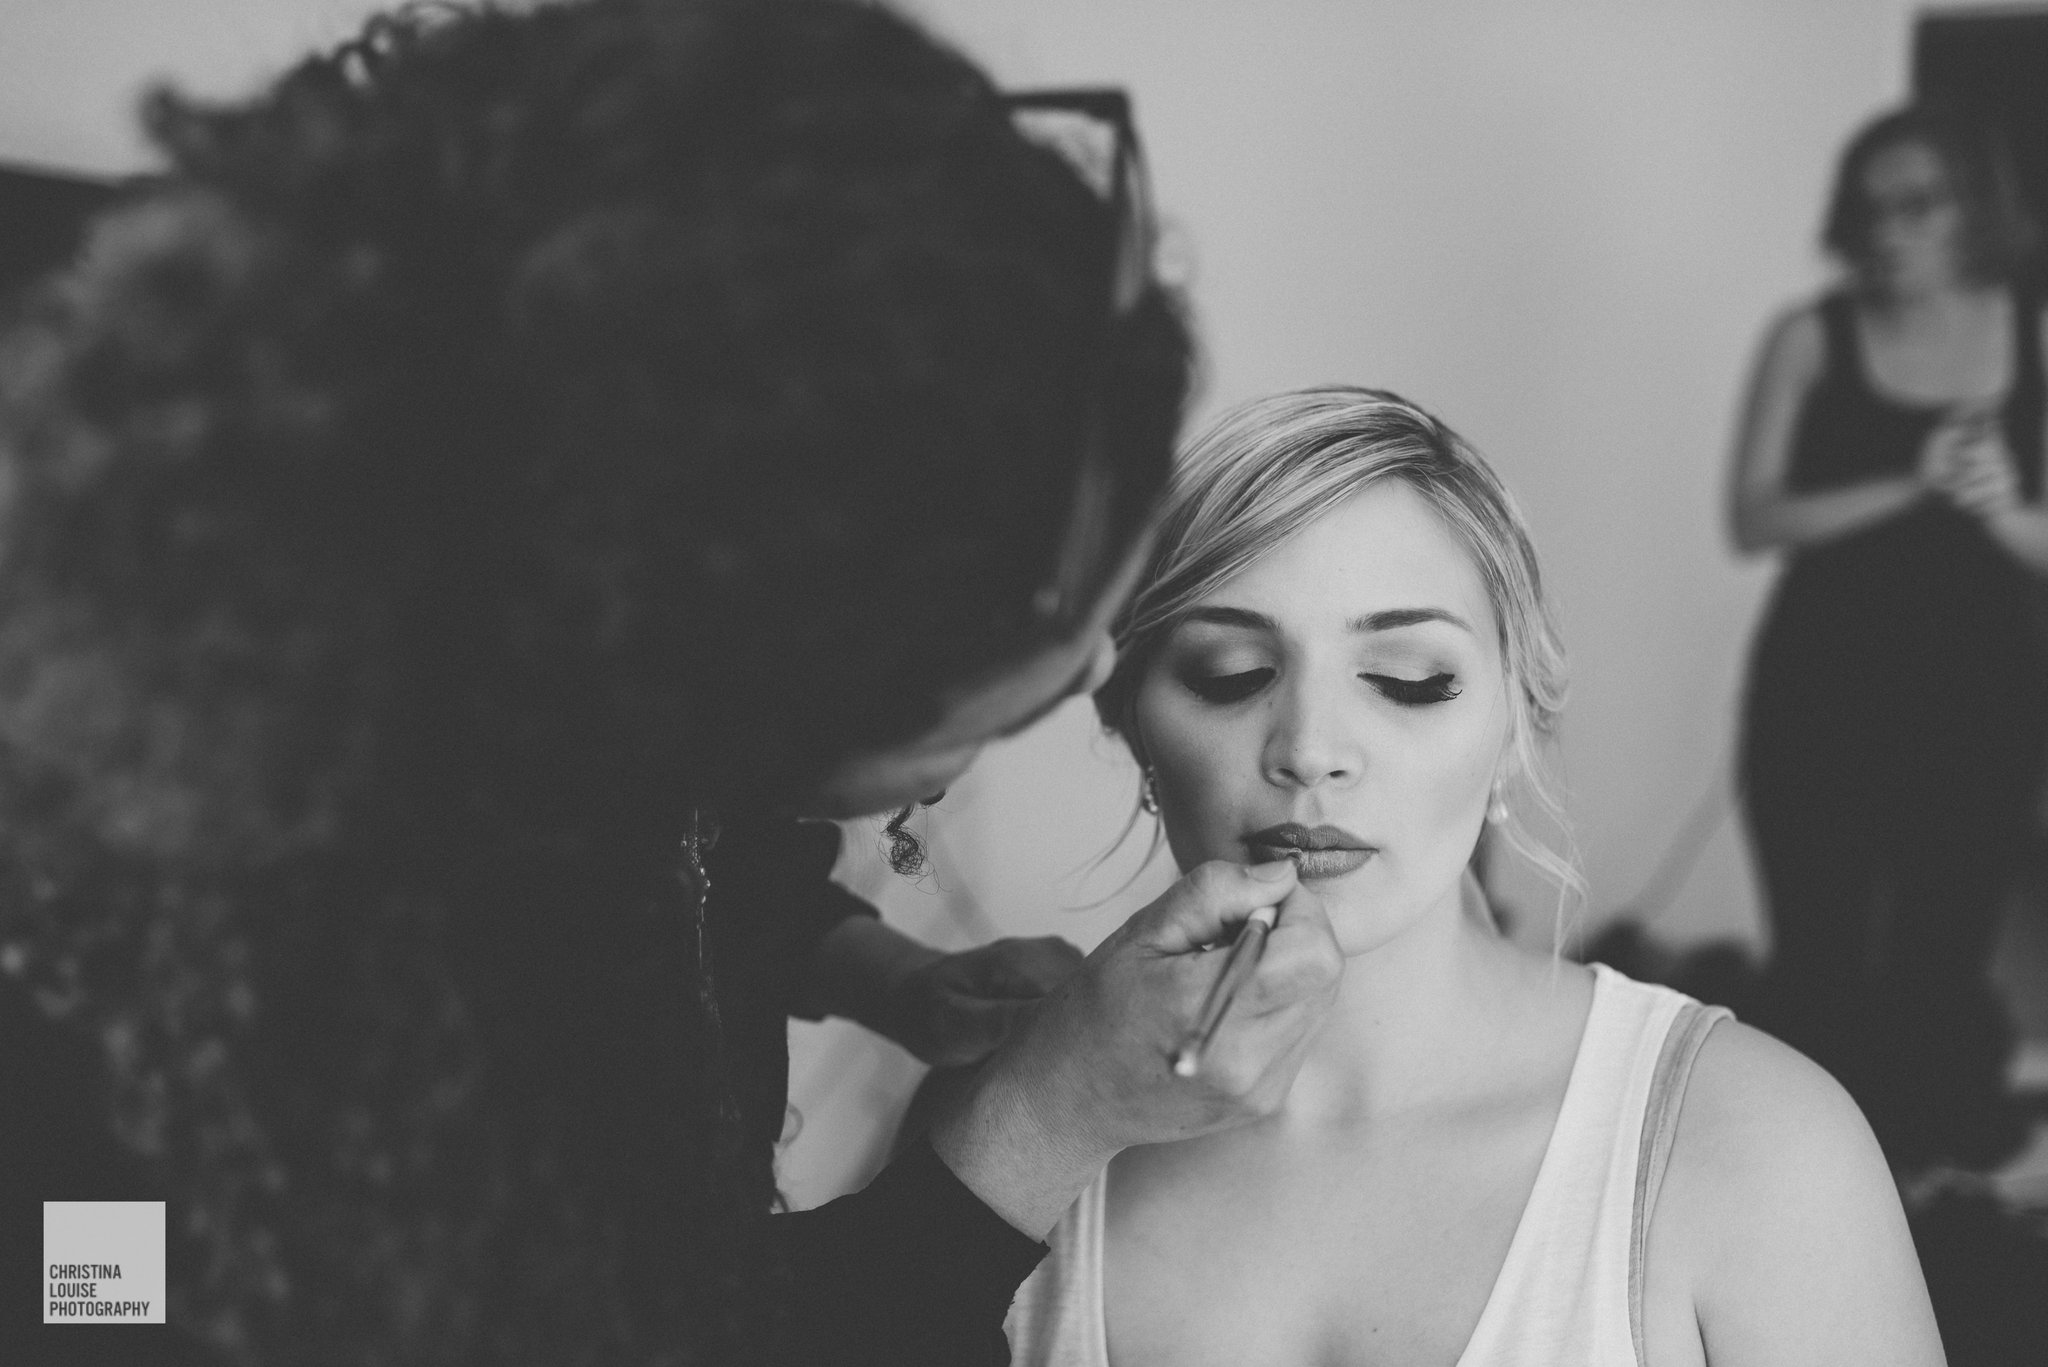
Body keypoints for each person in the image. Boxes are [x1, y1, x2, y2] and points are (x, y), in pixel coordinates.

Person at [0, 3, 1346, 1363]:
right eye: (1036, 676)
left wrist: (870, 965)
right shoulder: (189, 1178)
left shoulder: (498, 593)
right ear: (769, 677)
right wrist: (1042, 1120)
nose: (1102, 669)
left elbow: (685, 836)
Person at [1004, 387, 1941, 1365]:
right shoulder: (1010, 1136)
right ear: (1130, 721)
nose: (1310, 748)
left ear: (1515, 720)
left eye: (1409, 677)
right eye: (1230, 672)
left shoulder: (1764, 1149)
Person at [1728, 103, 2048, 1173]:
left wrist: (2001, 508)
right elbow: (1753, 519)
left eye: (1918, 204)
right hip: (1821, 684)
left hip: (1979, 692)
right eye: (1869, 208)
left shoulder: (2033, 330)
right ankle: (1804, 1178)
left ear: (1975, 208)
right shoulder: (1809, 335)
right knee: (1816, 949)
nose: (1889, 230)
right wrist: (1909, 482)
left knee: (1940, 951)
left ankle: (1920, 1185)